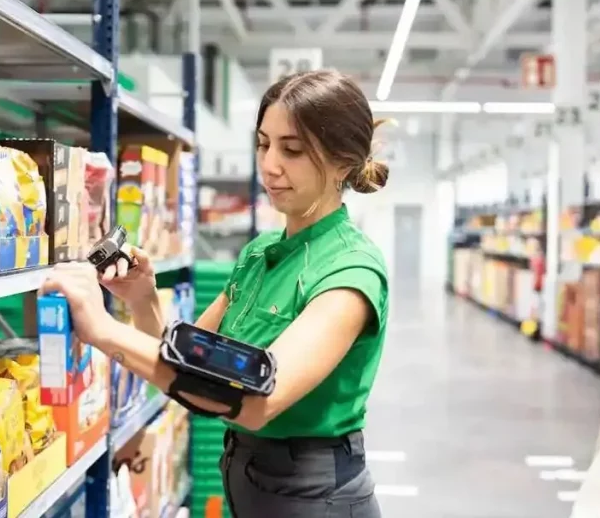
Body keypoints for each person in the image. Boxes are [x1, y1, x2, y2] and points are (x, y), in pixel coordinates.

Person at [41, 69, 391, 517]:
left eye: (293, 150)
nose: (269, 164)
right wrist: (143, 300)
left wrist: (103, 330)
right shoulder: (259, 253)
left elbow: (255, 401)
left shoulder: (350, 272)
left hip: (315, 496)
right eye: (264, 144)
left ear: (343, 163)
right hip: (252, 481)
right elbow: (185, 366)